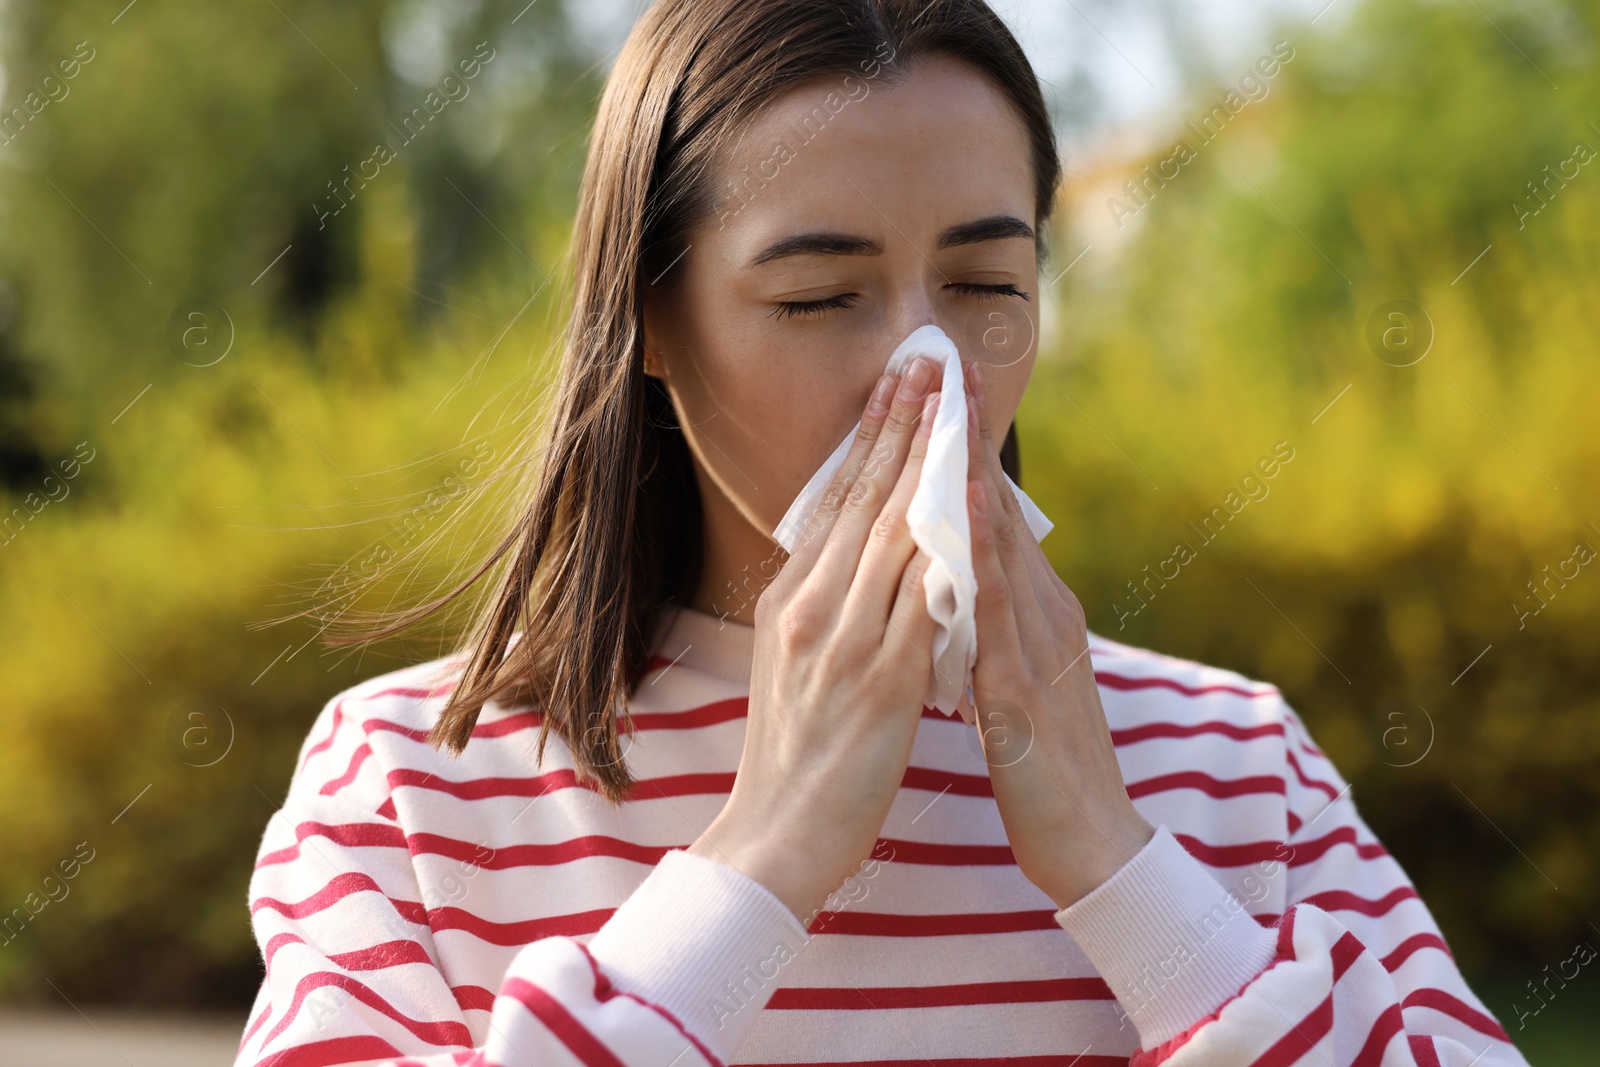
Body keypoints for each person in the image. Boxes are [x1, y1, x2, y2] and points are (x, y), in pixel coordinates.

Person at [234, 1, 1529, 1064]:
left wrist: (1125, 873)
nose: (932, 371)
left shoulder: (1237, 766)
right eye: (818, 295)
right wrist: (763, 861)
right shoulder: (412, 784)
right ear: (649, 326)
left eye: (985, 287)